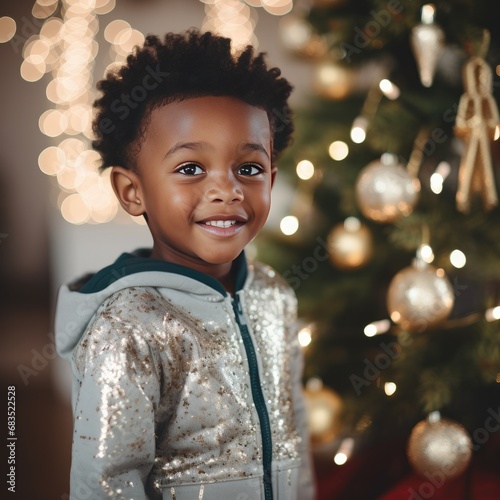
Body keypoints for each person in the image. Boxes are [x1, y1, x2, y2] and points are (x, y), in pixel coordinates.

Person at [55, 29, 315, 500]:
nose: (227, 190)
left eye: (249, 169)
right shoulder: (130, 325)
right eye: (191, 168)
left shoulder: (275, 295)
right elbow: (108, 482)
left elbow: (296, 432)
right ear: (133, 192)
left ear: (271, 178)